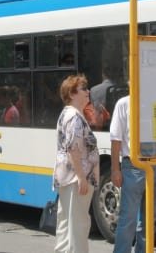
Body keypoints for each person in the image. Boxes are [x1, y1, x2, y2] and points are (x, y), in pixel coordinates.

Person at [110, 93, 156, 253]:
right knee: (128, 219)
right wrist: (115, 169)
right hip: (134, 166)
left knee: (150, 220)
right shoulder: (124, 103)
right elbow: (115, 139)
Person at [53, 75, 99, 253]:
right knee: (78, 226)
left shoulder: (67, 113)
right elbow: (73, 148)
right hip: (76, 178)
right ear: (72, 94)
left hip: (68, 178)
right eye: (84, 89)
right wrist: (81, 177)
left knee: (67, 225)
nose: (88, 92)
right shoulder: (74, 117)